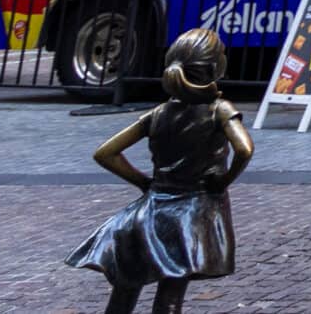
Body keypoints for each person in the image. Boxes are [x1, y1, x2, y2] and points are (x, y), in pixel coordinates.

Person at [68, 27, 253, 313]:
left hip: (149, 211)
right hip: (190, 213)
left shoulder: (159, 113)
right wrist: (224, 181)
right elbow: (244, 149)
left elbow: (106, 153)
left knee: (126, 287)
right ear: (215, 68)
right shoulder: (219, 109)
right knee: (171, 289)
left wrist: (143, 183)